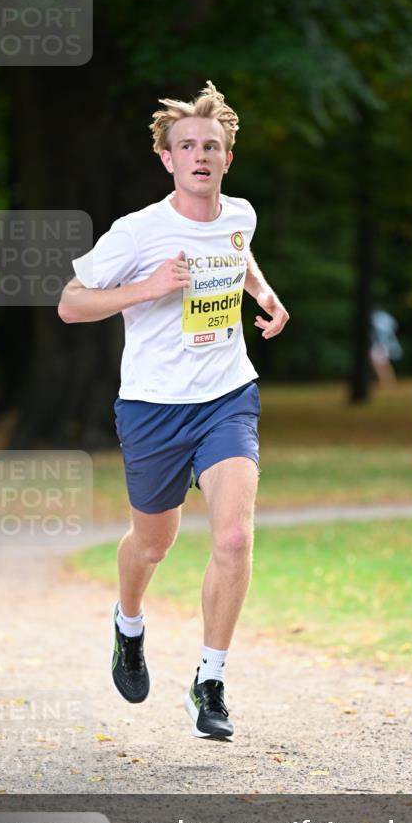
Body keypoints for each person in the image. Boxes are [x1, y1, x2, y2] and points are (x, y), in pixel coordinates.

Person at [58, 81, 289, 740]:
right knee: (154, 542)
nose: (199, 155)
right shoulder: (138, 232)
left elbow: (239, 254)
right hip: (153, 407)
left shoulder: (240, 214)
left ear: (226, 158)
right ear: (166, 158)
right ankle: (128, 624)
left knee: (234, 537)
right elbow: (70, 303)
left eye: (210, 146)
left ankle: (209, 682)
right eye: (186, 146)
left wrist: (265, 295)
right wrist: (148, 287)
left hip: (226, 396)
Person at [370, 309, 403, 387]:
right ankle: (389, 381)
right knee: (384, 363)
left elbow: (378, 332)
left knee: (379, 363)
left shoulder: (376, 318)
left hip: (380, 344)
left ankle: (385, 381)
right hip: (386, 343)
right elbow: (395, 326)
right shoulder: (386, 317)